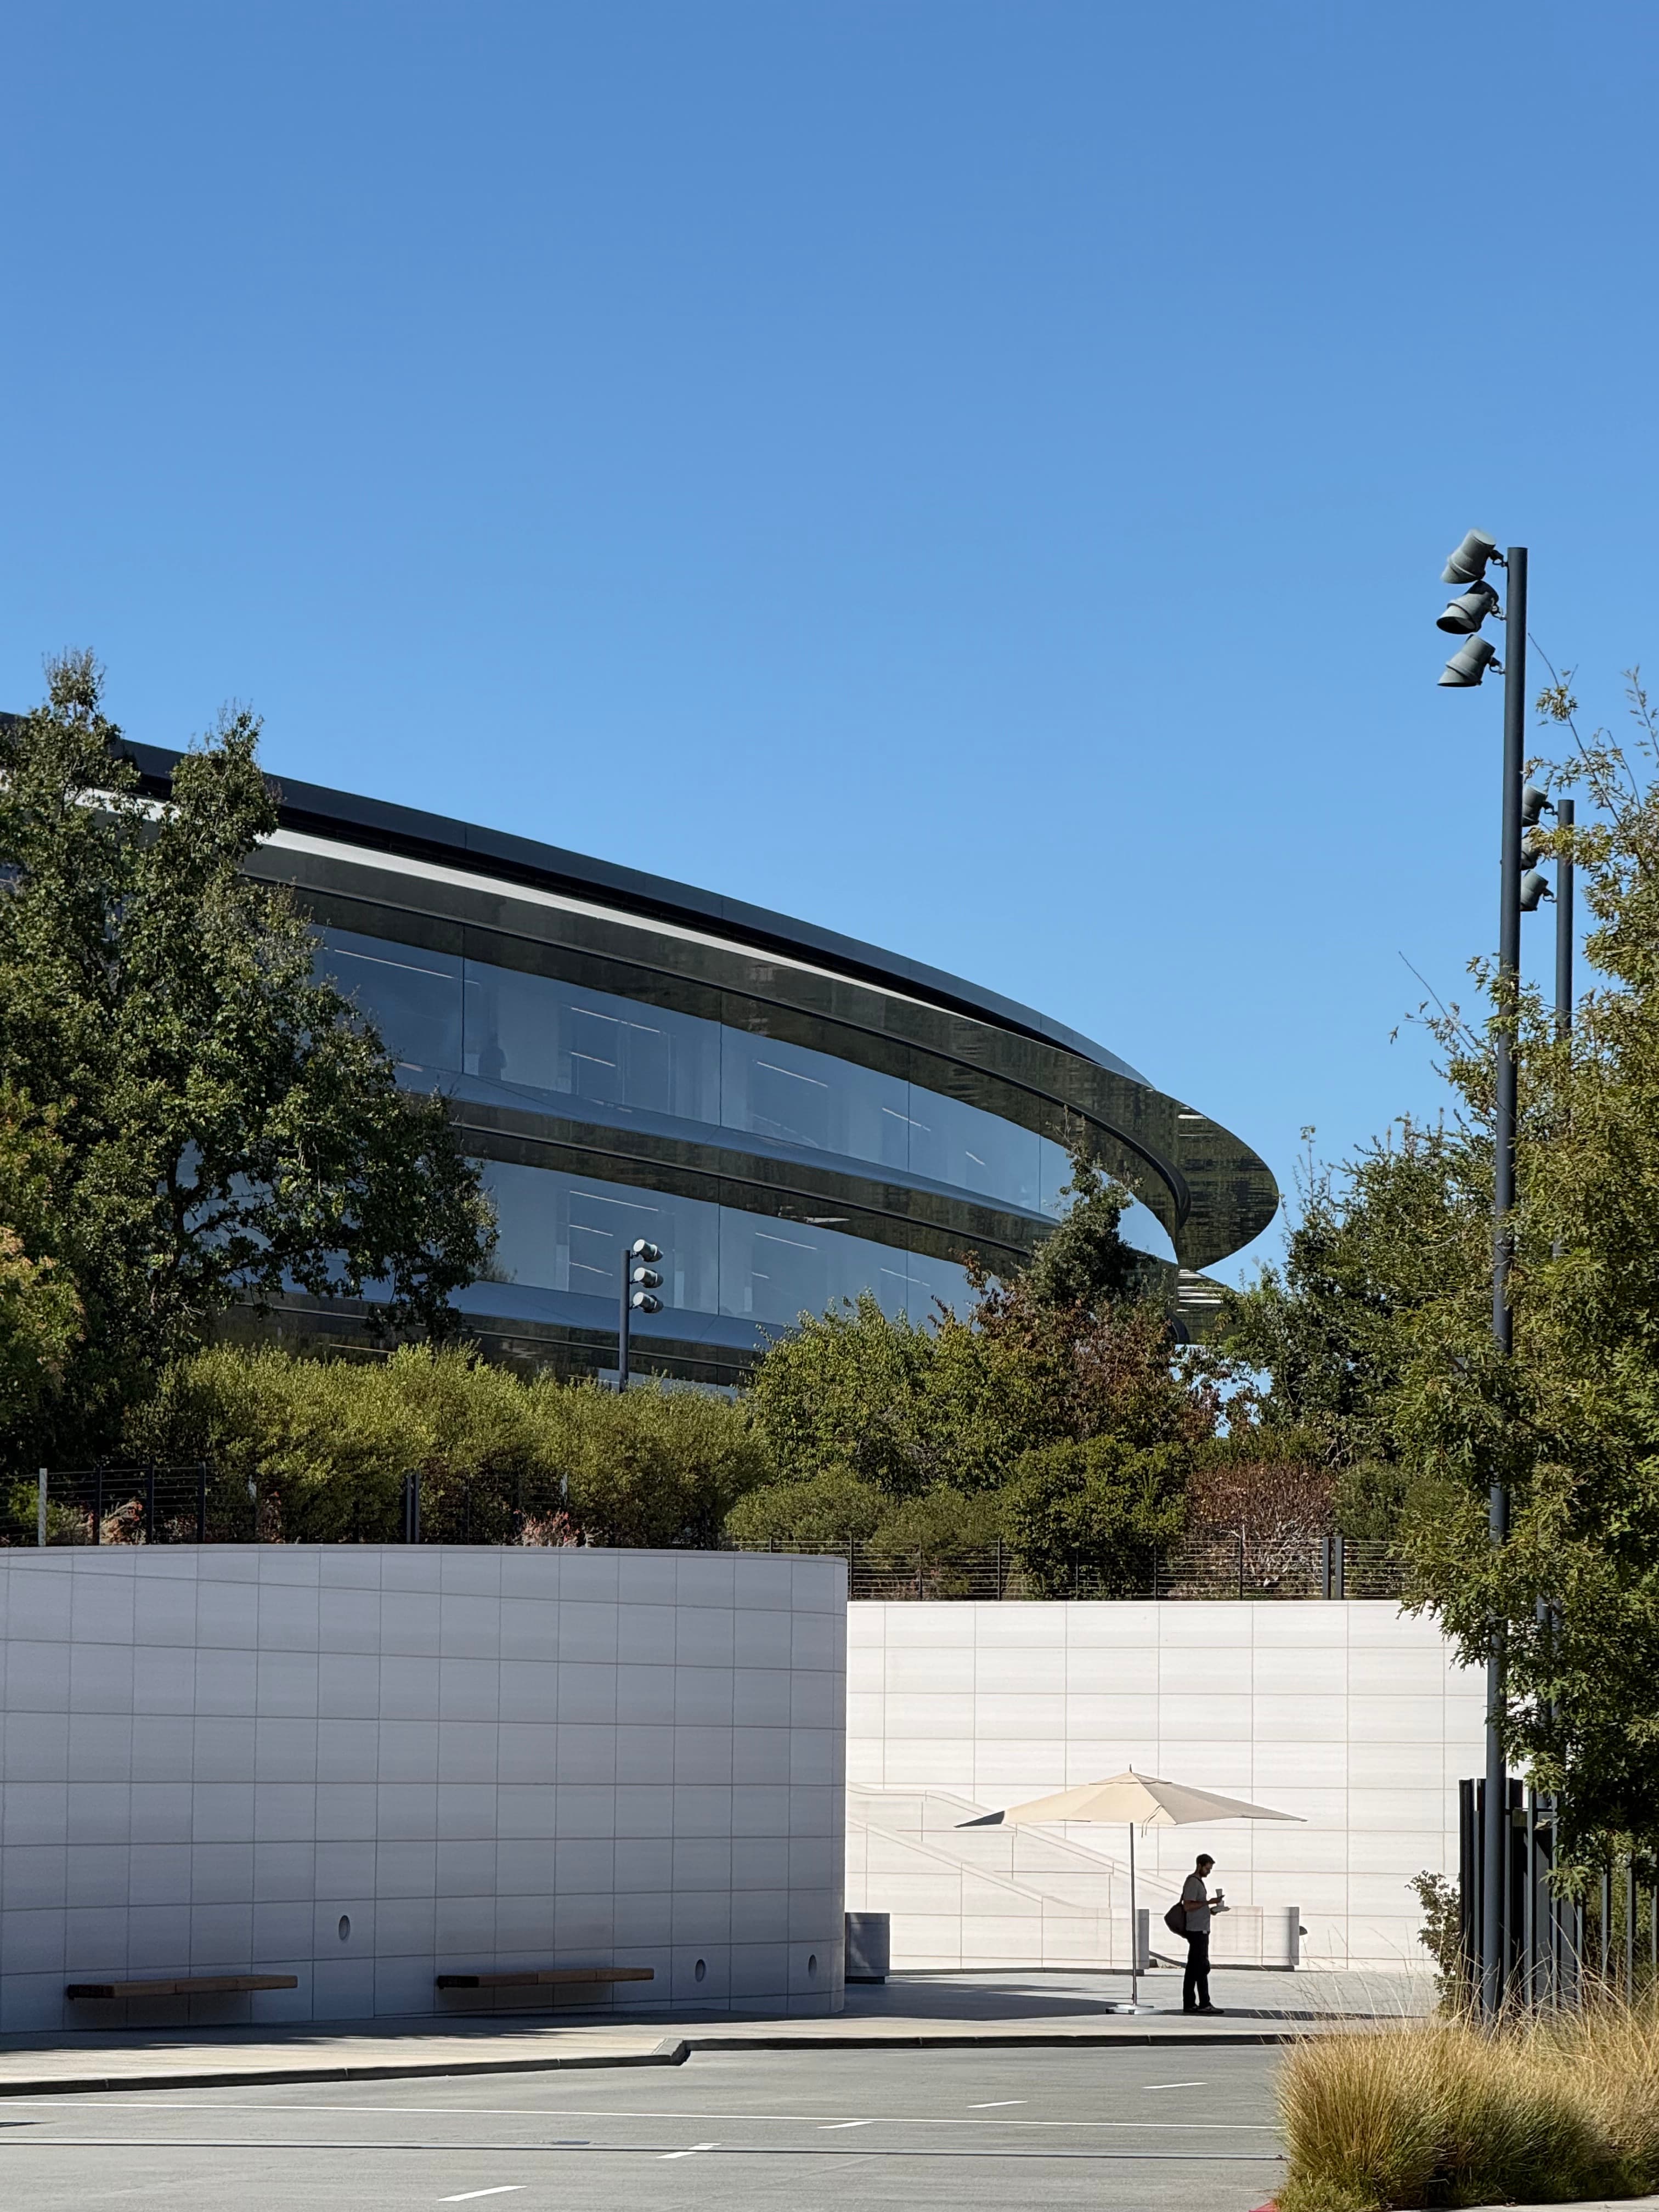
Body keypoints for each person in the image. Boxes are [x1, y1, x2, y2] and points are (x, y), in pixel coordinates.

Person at [1180, 1853, 1221, 2015]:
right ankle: (1204, 2002)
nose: (1209, 1872)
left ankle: (1191, 2003)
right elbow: (1188, 1906)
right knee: (1201, 1967)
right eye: (1208, 1868)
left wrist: (1211, 1910)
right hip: (1197, 1931)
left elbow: (1196, 1907)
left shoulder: (1199, 1883)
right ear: (1200, 1865)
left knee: (1194, 1968)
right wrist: (1208, 1903)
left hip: (1201, 1929)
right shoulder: (1193, 1882)